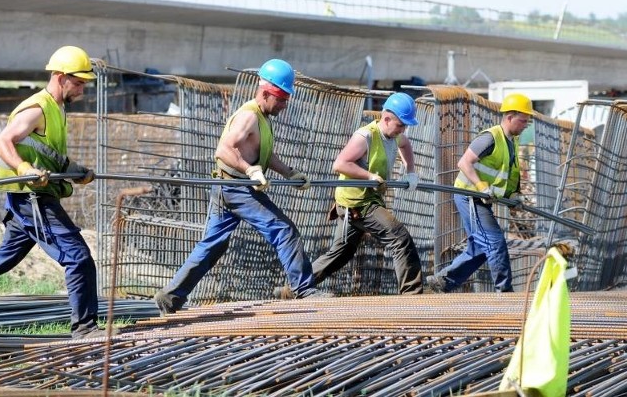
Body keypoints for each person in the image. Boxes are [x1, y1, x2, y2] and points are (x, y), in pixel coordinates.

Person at [154, 58, 332, 316]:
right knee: (284, 230)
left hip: (228, 187)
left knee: (213, 245)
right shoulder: (249, 116)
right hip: (235, 187)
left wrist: (290, 173)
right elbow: (224, 149)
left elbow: (265, 153)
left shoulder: (263, 117)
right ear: (266, 92)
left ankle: (169, 298)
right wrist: (249, 170)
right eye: (281, 99)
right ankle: (303, 289)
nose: (284, 105)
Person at [0, 45, 102, 338]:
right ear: (61, 77)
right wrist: (24, 168)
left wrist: (77, 171)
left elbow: (46, 152)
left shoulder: (57, 108)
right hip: (31, 196)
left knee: (5, 257)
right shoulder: (37, 107)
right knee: (77, 256)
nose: (81, 90)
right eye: (78, 83)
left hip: (33, 194)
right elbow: (2, 143)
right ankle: (86, 329)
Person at [277, 92, 424, 298]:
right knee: (399, 237)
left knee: (340, 254)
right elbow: (340, 164)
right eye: (401, 125)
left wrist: (411, 172)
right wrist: (368, 175)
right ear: (387, 118)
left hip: (362, 201)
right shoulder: (365, 136)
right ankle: (412, 295)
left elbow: (405, 144)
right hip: (358, 203)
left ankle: (291, 290)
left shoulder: (394, 133)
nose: (403, 129)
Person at [426, 93, 533, 293]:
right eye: (523, 120)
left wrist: (513, 196)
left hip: (480, 198)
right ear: (509, 117)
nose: (526, 125)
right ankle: (505, 291)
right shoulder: (490, 137)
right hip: (470, 196)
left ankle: (443, 282)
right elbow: (464, 162)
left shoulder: (511, 140)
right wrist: (482, 187)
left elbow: (508, 173)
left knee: (480, 248)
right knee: (494, 241)